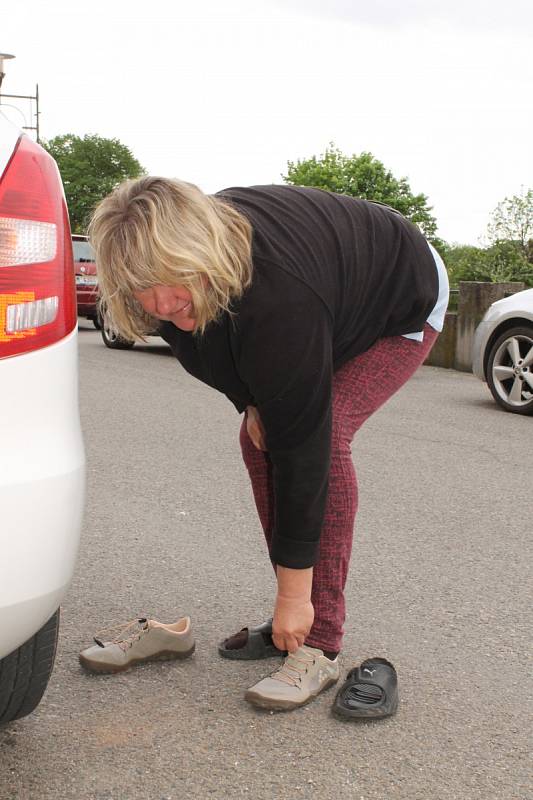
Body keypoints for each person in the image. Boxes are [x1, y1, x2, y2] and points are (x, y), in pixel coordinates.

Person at [88, 177, 449, 715]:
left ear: (200, 253)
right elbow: (216, 356)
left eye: (173, 281)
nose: (163, 302)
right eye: (146, 287)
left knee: (322, 439)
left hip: (400, 299)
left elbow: (305, 451)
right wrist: (250, 403)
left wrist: (292, 597)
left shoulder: (280, 296)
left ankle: (318, 638)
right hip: (325, 288)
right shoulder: (173, 290)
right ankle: (294, 625)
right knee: (259, 436)